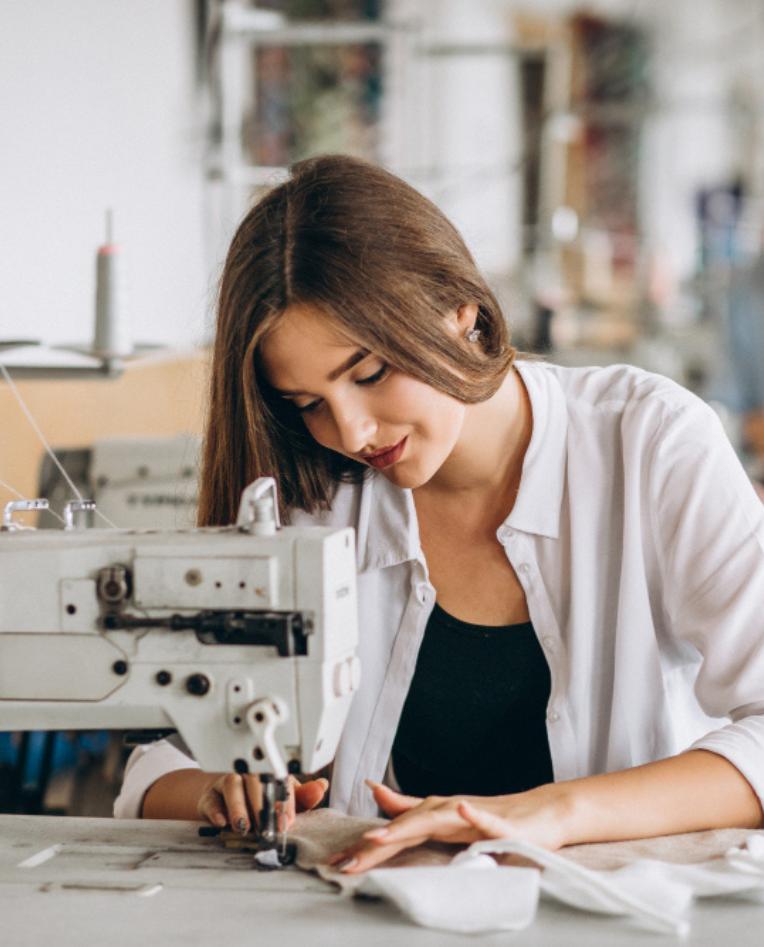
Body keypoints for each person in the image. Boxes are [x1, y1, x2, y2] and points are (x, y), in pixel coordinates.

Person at [114, 154, 764, 874]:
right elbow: (157, 760)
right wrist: (216, 788)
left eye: (368, 374)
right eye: (307, 405)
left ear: (462, 314)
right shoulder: (316, 491)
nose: (353, 432)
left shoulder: (652, 442)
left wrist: (553, 810)